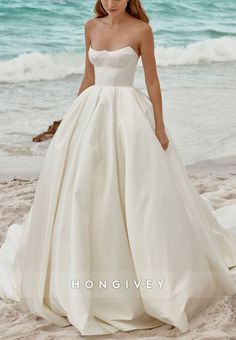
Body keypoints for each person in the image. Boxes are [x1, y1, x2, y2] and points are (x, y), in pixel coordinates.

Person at [1, 0, 236, 336]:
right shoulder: (90, 27)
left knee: (138, 192)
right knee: (83, 189)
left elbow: (153, 82)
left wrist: (159, 127)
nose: (111, 3)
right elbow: (88, 76)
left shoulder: (142, 30)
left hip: (128, 117)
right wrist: (68, 122)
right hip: (90, 112)